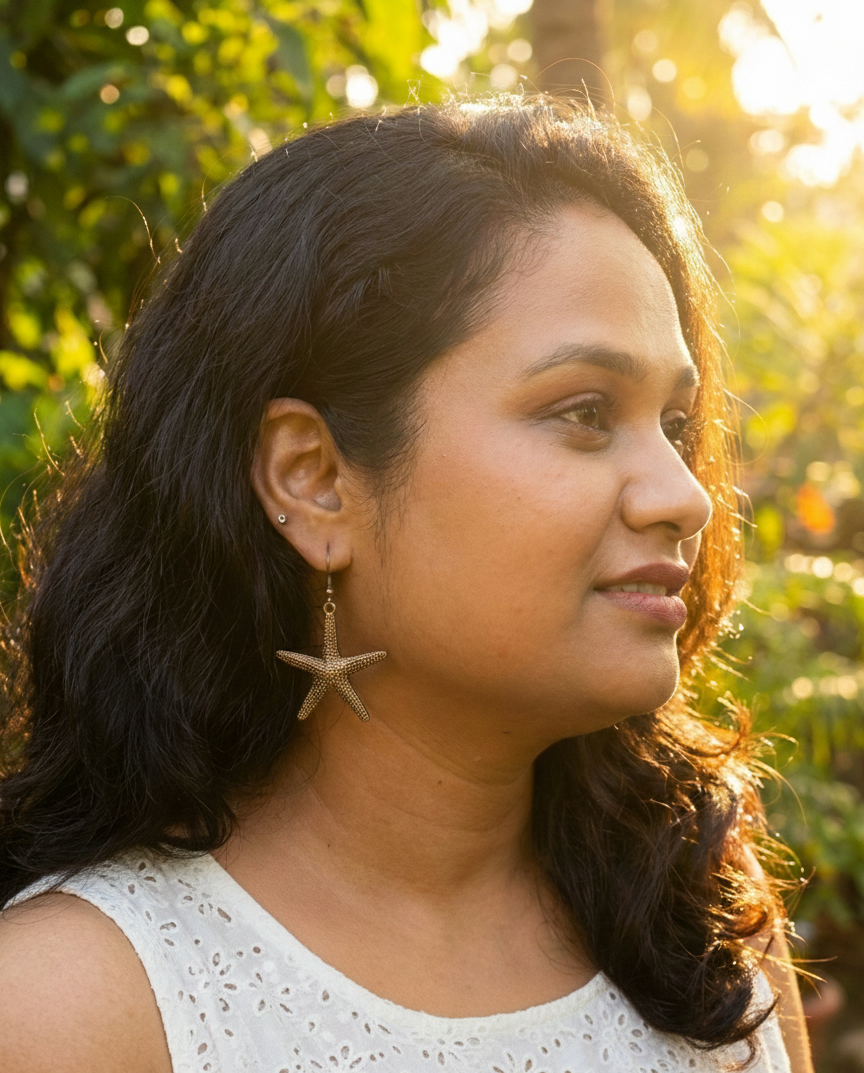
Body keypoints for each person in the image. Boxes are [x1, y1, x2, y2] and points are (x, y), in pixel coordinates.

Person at [0, 96, 811, 1073]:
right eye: (585, 410)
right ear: (316, 478)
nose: (687, 496)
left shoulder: (701, 922)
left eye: (675, 425)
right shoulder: (76, 1004)